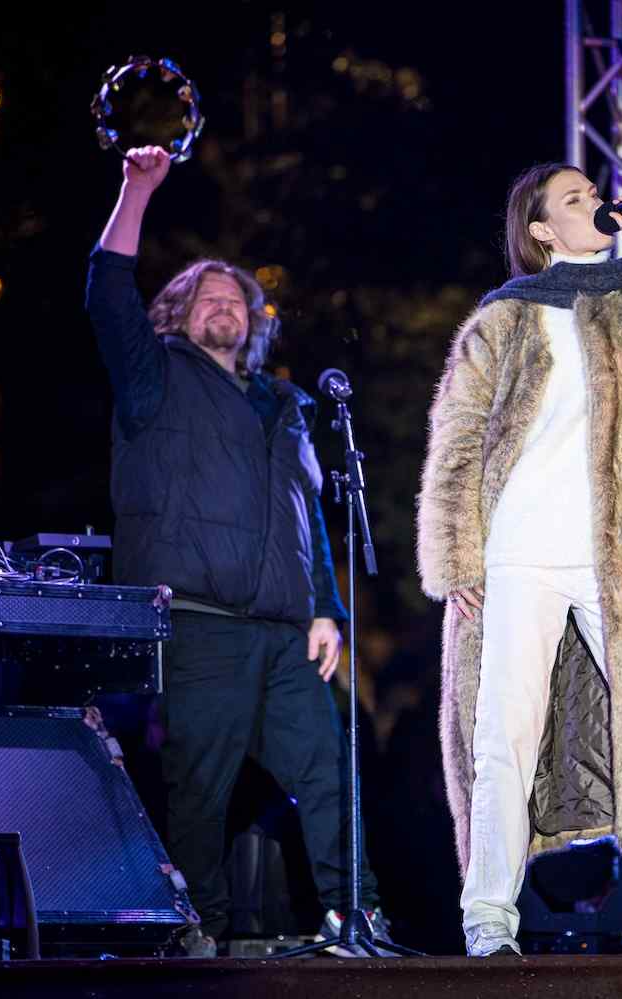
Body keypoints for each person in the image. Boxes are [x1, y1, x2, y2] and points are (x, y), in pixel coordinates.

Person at [416, 162, 622, 957]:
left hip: (620, 551)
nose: (596, 203)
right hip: (518, 551)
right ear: (540, 229)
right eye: (575, 199)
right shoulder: (506, 313)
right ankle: (489, 913)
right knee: (504, 733)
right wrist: (455, 555)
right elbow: (457, 433)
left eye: (594, 193)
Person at [85, 146, 386, 957]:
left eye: (237, 300)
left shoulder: (283, 404)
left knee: (329, 769)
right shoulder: (154, 378)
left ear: (255, 321)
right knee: (199, 787)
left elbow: (305, 513)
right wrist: (136, 190)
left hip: (286, 633)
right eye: (206, 297)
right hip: (200, 623)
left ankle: (357, 917)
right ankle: (201, 933)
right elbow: (107, 292)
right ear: (177, 315)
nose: (225, 305)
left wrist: (325, 607)